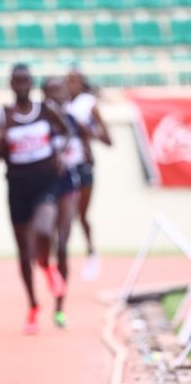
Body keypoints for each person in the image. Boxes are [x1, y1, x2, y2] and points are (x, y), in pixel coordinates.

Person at [0, 64, 72, 334]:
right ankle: (33, 306)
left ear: (32, 83)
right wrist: (1, 140)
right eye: (17, 81)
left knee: (44, 229)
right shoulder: (3, 116)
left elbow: (66, 130)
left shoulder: (45, 110)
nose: (22, 85)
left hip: (46, 181)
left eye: (26, 80)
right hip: (18, 186)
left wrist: (59, 151)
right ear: (11, 84)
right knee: (23, 253)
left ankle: (47, 266)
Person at [41, 76, 93, 328]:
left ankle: (59, 307)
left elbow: (83, 145)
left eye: (60, 91)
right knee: (43, 243)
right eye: (52, 92)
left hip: (66, 187)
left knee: (62, 245)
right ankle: (47, 268)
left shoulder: (71, 120)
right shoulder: (39, 121)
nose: (57, 96)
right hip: (42, 188)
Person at [65, 69, 112, 281]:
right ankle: (61, 260)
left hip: (83, 165)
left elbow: (108, 139)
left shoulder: (88, 103)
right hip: (64, 167)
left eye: (74, 81)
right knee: (62, 214)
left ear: (82, 84)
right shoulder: (61, 103)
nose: (69, 85)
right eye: (67, 81)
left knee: (81, 214)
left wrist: (88, 131)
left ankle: (92, 253)